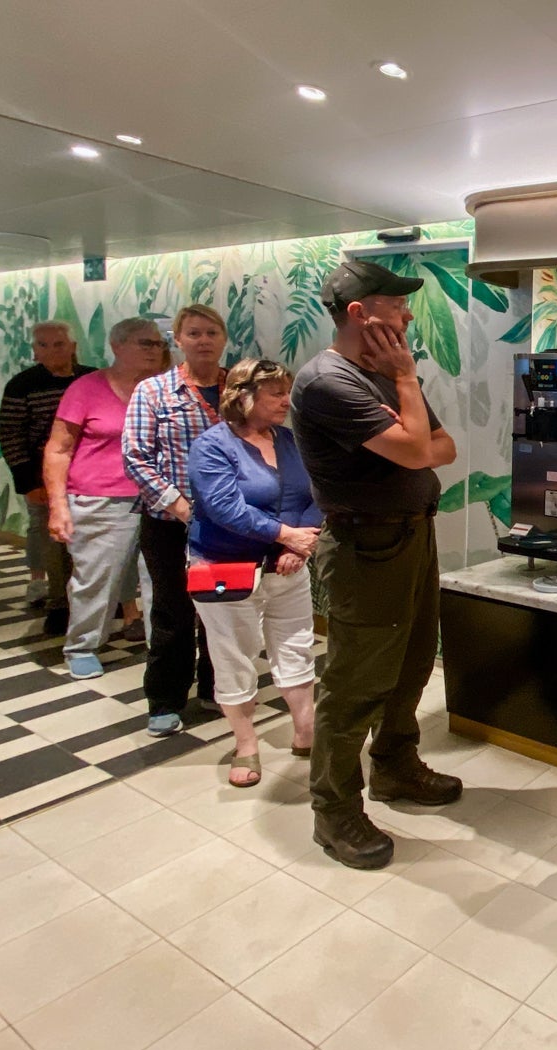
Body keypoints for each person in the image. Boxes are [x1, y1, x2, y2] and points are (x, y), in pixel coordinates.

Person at [291, 260, 461, 870]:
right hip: (367, 549)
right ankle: (333, 811)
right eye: (397, 303)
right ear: (359, 313)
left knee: (414, 662)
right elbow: (419, 448)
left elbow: (443, 448)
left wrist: (409, 415)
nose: (408, 314)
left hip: (413, 539)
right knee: (355, 684)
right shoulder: (327, 382)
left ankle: (394, 766)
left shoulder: (384, 374)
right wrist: (409, 384)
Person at [187, 360, 321, 787]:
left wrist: (299, 543)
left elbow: (315, 491)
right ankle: (246, 744)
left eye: (287, 391)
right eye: (276, 393)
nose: (286, 401)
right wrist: (286, 535)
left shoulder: (289, 440)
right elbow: (224, 508)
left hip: (287, 566)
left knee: (296, 646)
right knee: (234, 656)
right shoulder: (212, 446)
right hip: (226, 568)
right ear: (243, 396)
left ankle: (306, 732)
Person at [123, 304, 226, 737]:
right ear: (178, 340)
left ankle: (218, 689)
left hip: (228, 523)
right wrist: (180, 505)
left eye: (212, 333)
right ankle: (165, 700)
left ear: (223, 339)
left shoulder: (241, 387)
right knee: (173, 613)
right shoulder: (153, 391)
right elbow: (135, 457)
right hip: (168, 523)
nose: (203, 340)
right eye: (194, 333)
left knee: (224, 612)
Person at [46, 318, 161, 681]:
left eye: (157, 343)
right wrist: (58, 505)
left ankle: (162, 649)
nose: (153, 350)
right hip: (99, 498)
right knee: (96, 579)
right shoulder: (87, 389)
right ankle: (81, 646)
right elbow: (59, 450)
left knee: (162, 581)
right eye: (144, 343)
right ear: (118, 346)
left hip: (160, 500)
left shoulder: (164, 388)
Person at [0, 321, 94, 634]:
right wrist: (29, 481)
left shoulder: (91, 379)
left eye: (59, 344)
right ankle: (57, 602)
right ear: (35, 350)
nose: (51, 350)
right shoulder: (22, 385)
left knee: (91, 539)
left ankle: (93, 601)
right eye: (43, 345)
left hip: (90, 475)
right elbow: (11, 435)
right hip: (45, 475)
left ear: (73, 346)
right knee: (52, 538)